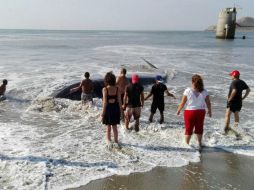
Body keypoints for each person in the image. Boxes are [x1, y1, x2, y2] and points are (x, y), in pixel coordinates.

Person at [176, 74, 212, 149]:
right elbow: (208, 103)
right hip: (201, 112)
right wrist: (210, 111)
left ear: (192, 81)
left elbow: (182, 102)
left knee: (189, 128)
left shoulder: (188, 90)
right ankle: (199, 144)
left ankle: (187, 145)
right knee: (199, 128)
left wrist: (178, 110)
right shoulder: (204, 91)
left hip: (190, 112)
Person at [101, 72, 123, 148]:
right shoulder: (117, 88)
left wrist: (102, 114)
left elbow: (104, 103)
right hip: (116, 109)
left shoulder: (105, 89)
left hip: (108, 109)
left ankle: (109, 141)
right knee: (115, 127)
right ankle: (116, 142)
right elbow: (120, 101)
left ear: (106, 80)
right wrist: (121, 112)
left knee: (108, 127)